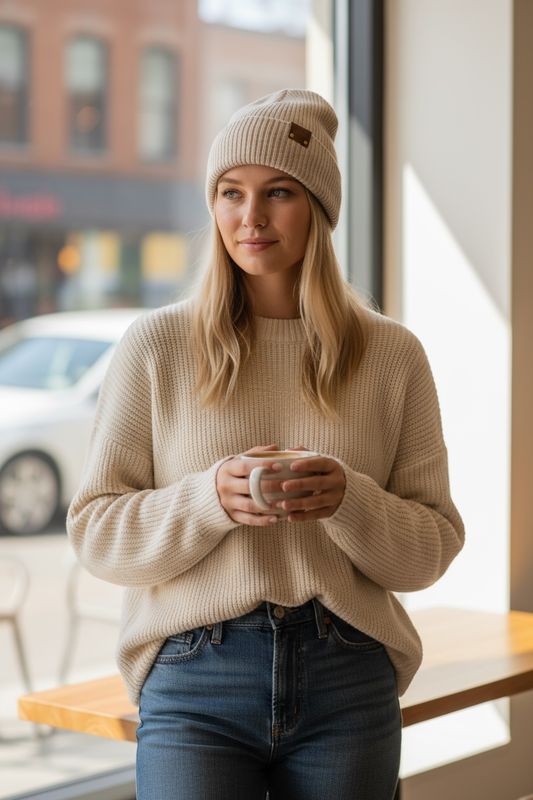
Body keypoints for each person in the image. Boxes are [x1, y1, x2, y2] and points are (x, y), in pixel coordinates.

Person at [67, 89, 464, 800]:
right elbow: (96, 532)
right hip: (196, 674)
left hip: (347, 664)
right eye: (229, 192)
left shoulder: (392, 355)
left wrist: (348, 500)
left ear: (317, 205)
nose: (248, 217)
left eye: (277, 191)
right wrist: (205, 500)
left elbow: (430, 548)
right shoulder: (156, 346)